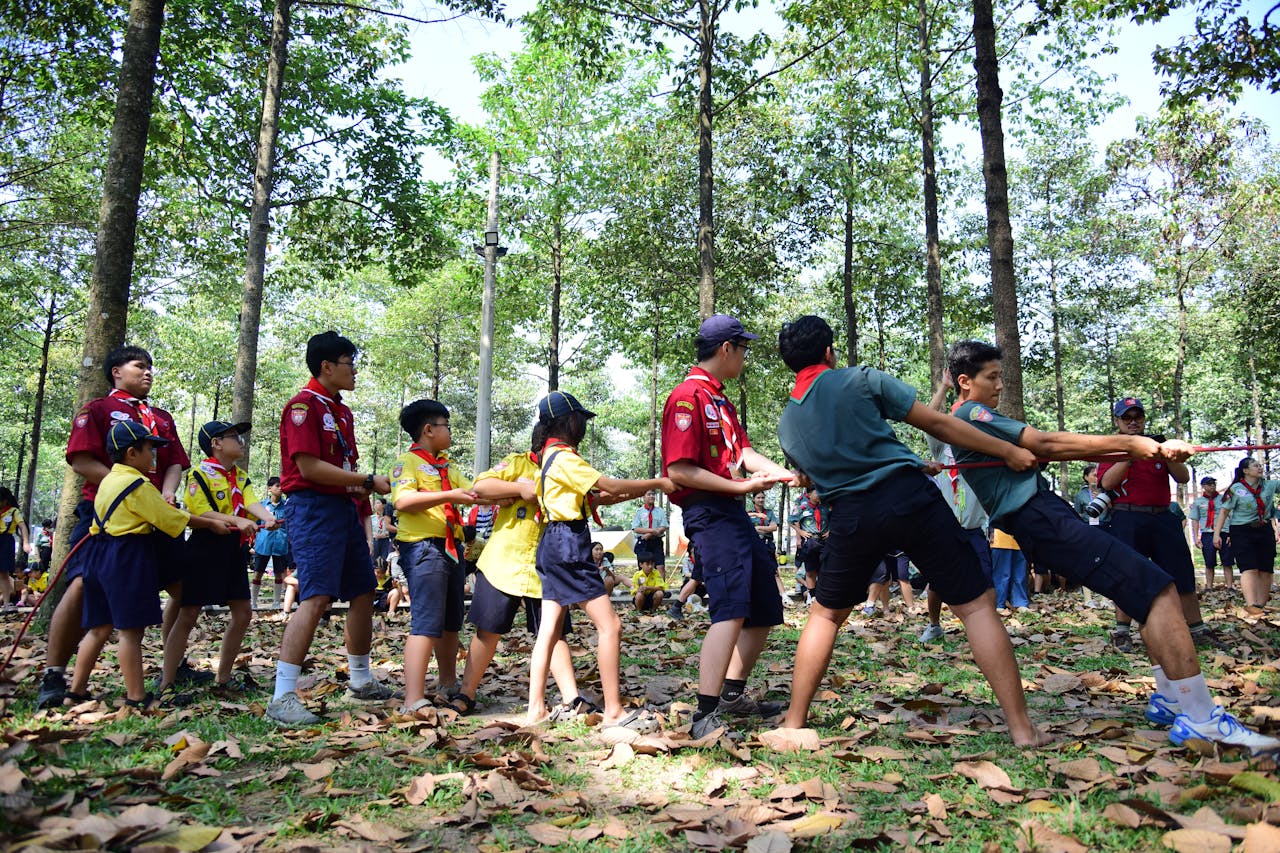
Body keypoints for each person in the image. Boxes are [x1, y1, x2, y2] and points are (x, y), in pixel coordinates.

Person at [943, 339, 1278, 753]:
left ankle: (1172, 701)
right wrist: (1132, 446)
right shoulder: (972, 414)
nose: (999, 386)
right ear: (964, 382)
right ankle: (1200, 719)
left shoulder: (973, 417)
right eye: (991, 378)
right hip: (1040, 519)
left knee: (1147, 590)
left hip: (1041, 516)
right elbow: (1045, 443)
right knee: (1158, 591)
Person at [768, 317, 1048, 747]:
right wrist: (1008, 449)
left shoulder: (787, 425)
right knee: (975, 607)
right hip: (908, 498)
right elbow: (937, 424)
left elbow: (819, 476)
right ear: (829, 352)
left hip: (852, 515)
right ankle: (1022, 729)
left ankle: (793, 722)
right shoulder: (861, 379)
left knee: (825, 614)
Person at [38, 345, 195, 709]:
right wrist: (123, 488)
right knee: (81, 586)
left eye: (151, 367)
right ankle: (55, 675)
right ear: (116, 372)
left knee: (186, 588)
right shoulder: (98, 409)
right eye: (139, 366)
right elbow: (80, 459)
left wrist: (167, 492)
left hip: (155, 512)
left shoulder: (161, 417)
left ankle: (173, 668)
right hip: (106, 514)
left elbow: (174, 462)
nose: (148, 373)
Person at [661, 315, 795, 739]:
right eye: (743, 348)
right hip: (709, 514)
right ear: (726, 349)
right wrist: (739, 485)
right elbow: (681, 470)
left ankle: (733, 696)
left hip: (733, 513)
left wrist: (783, 474)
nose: (745, 356)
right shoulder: (686, 398)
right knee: (730, 609)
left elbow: (744, 453)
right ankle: (705, 715)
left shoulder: (721, 401)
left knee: (764, 606)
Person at [265, 331, 394, 727]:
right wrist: (369, 480)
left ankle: (360, 679)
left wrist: (360, 490)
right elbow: (308, 468)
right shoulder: (302, 407)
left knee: (361, 591)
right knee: (316, 596)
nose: (354, 370)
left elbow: (341, 469)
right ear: (326, 366)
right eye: (348, 362)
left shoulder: (341, 411)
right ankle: (282, 695)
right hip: (314, 509)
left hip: (345, 509)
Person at [524, 390, 671, 733]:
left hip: (552, 542)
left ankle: (535, 709)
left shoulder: (548, 458)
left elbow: (603, 495)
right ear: (568, 422)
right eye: (581, 419)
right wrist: (658, 482)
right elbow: (608, 484)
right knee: (610, 626)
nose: (584, 426)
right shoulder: (565, 458)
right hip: (569, 544)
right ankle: (615, 711)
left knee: (548, 629)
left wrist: (646, 487)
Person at [68, 421, 234, 708]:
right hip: (126, 555)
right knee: (132, 631)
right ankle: (137, 696)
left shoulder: (107, 480)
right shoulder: (138, 485)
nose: (154, 457)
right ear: (132, 454)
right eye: (150, 450)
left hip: (97, 554)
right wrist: (212, 524)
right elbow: (171, 520)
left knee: (99, 627)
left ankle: (76, 691)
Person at [455, 423, 588, 719]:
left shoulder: (568, 467)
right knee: (487, 631)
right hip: (504, 563)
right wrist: (519, 489)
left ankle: (573, 698)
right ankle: (467, 693)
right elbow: (480, 486)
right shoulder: (517, 464)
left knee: (552, 633)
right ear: (544, 443)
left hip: (547, 566)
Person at [158, 421, 280, 699]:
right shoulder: (199, 474)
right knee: (188, 613)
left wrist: (266, 517)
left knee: (243, 613)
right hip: (204, 548)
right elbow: (201, 512)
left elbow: (250, 501)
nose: (240, 441)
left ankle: (222, 679)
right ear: (216, 443)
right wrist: (235, 519)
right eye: (234, 437)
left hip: (234, 549)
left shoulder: (241, 476)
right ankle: (166, 682)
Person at [1099, 398, 1225, 653]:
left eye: (1138, 417)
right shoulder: (1111, 448)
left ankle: (1197, 629)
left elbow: (1182, 477)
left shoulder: (1159, 445)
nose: (1133, 422)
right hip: (1127, 517)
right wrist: (1130, 455)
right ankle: (1123, 631)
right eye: (1127, 418)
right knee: (1126, 573)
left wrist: (1164, 452)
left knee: (1181, 572)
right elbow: (1107, 484)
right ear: (1117, 422)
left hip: (1161, 516)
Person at [390, 398, 482, 715]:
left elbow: (474, 492)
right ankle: (412, 698)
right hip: (424, 547)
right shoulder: (408, 463)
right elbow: (402, 501)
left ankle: (447, 683)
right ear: (429, 429)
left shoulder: (447, 466)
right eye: (446, 426)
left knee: (449, 621)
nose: (450, 432)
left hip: (452, 549)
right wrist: (450, 495)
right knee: (426, 622)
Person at [921, 373, 993, 641]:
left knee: (985, 581)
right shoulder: (943, 452)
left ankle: (988, 626)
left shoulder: (978, 450)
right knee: (937, 583)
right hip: (946, 529)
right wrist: (943, 387)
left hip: (974, 529)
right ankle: (934, 625)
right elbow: (928, 419)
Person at [1214, 457, 1280, 612]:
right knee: (1248, 568)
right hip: (1241, 531)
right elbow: (1224, 512)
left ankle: (1261, 605)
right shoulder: (1235, 489)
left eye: (1260, 465)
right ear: (1245, 471)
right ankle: (1251, 606)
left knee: (1266, 568)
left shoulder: (1270, 485)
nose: (1260, 468)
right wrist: (1217, 534)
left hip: (1264, 529)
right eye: (1256, 466)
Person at [252, 477, 291, 609]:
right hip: (263, 545)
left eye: (282, 486)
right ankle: (253, 601)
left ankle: (276, 602)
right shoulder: (261, 506)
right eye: (277, 486)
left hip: (280, 545)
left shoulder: (287, 506)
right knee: (258, 572)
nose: (280, 488)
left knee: (279, 573)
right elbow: (256, 524)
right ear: (269, 488)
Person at [791, 486, 827, 604]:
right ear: (809, 495)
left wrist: (830, 531)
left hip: (825, 542)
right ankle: (812, 596)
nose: (819, 495)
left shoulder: (826, 507)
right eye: (817, 493)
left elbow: (836, 519)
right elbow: (791, 520)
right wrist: (800, 532)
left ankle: (822, 595)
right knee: (810, 570)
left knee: (824, 569)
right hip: (810, 541)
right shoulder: (802, 507)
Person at [0, 487, 30, 612]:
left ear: (6, 500)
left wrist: (26, 543)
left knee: (4, 574)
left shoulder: (13, 511)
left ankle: (6, 604)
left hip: (6, 542)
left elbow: (22, 527)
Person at [989, 528, 1029, 611]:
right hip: (1000, 537)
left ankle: (1020, 602)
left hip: (1021, 536)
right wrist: (991, 531)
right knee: (1001, 574)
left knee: (1020, 573)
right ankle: (999, 603)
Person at [631, 490, 669, 568]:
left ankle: (661, 581)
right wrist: (652, 530)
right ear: (643, 498)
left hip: (656, 542)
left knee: (660, 566)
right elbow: (635, 528)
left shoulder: (660, 511)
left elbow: (664, 526)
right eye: (649, 494)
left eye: (653, 494)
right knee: (644, 568)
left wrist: (650, 534)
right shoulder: (639, 512)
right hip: (643, 542)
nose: (652, 496)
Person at [371, 498, 397, 568]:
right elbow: (369, 530)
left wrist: (383, 535)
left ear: (384, 505)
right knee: (372, 560)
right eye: (375, 503)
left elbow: (391, 528)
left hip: (386, 541)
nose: (375, 505)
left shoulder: (389, 517)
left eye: (378, 503)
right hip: (374, 541)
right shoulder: (371, 518)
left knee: (386, 559)